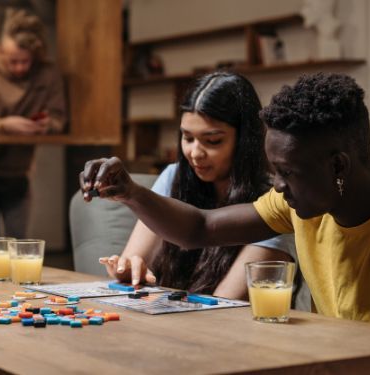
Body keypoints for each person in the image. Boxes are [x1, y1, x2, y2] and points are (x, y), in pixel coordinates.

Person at [81, 73, 370, 325]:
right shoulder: (295, 204)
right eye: (275, 171)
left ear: (338, 166)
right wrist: (131, 191)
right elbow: (201, 228)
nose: (277, 186)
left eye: (288, 172)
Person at [97, 72, 300, 303]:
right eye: (187, 137)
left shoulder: (274, 201)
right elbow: (133, 262)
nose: (195, 153)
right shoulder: (173, 176)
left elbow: (224, 304)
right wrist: (128, 271)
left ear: (245, 139)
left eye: (212, 141)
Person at [0, 9, 67, 238]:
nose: (20, 67)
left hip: (19, 172)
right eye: (13, 61)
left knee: (18, 243)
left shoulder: (47, 74)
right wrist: (1, 125)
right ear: (0, 52)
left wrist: (46, 125)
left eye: (25, 61)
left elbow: (59, 118)